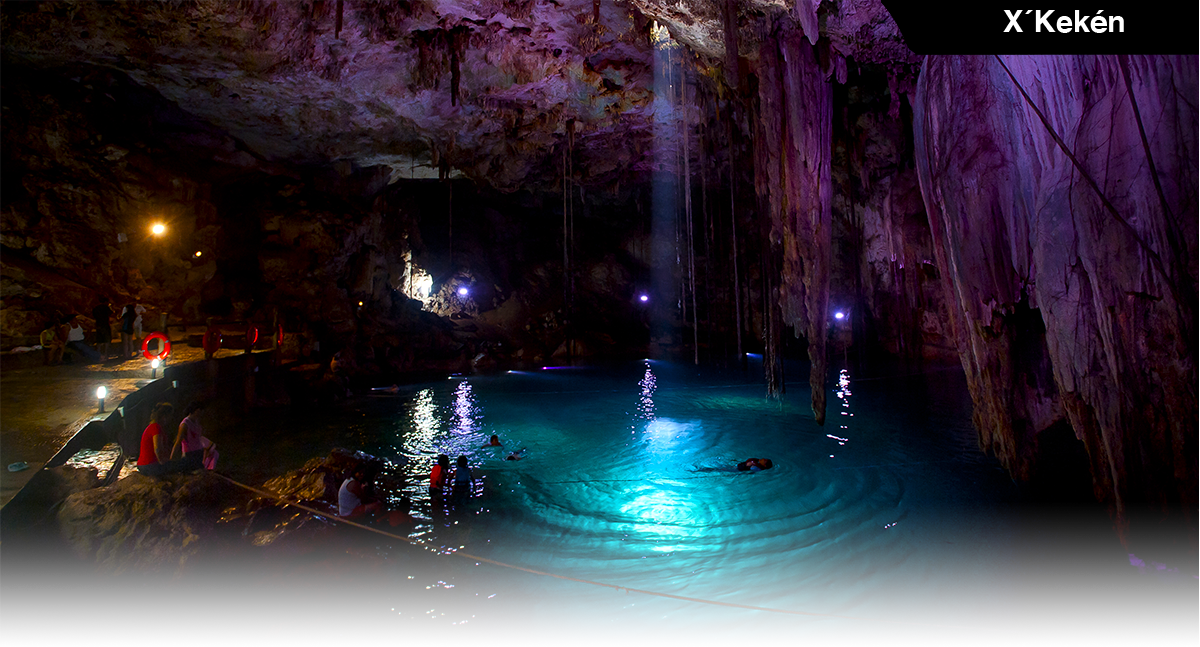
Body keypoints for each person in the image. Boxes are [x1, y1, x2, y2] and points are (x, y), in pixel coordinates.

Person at [170, 401, 212, 471]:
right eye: (199, 411)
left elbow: (198, 438)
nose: (201, 413)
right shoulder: (185, 424)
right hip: (189, 454)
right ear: (195, 410)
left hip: (198, 452)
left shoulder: (196, 421)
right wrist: (171, 459)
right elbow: (178, 442)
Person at [137, 402, 175, 477]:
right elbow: (157, 447)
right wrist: (162, 461)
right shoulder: (156, 428)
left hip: (147, 464)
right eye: (170, 415)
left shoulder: (153, 426)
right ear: (164, 416)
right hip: (149, 464)